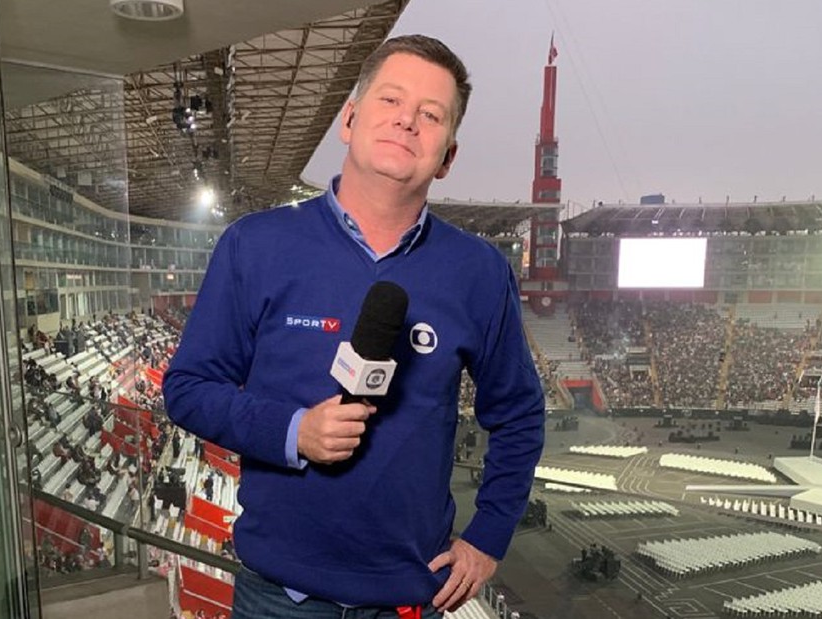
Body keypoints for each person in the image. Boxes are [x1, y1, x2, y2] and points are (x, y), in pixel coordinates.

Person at [163, 34, 545, 618]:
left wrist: (487, 537)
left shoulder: (479, 271)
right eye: (391, 100)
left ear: (447, 155)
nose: (407, 121)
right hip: (277, 597)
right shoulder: (256, 244)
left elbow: (518, 414)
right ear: (349, 118)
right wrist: (294, 432)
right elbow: (188, 389)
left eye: (431, 114)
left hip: (407, 599)